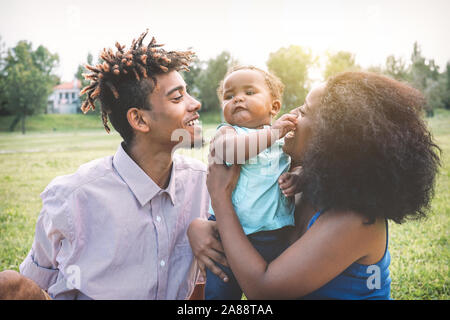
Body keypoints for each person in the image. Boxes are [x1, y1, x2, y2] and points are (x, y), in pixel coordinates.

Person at [0, 30, 224, 300]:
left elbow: (200, 284)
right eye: (177, 98)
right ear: (139, 120)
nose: (195, 104)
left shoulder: (205, 182)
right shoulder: (72, 198)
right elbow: (34, 287)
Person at [190, 71, 441, 299]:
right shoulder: (298, 183)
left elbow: (264, 290)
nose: (292, 113)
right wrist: (200, 228)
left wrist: (221, 200)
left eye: (305, 111)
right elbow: (251, 227)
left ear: (333, 138)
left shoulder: (355, 219)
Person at [204, 66, 300, 299]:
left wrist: (298, 176)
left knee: (278, 292)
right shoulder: (228, 132)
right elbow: (230, 152)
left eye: (249, 92)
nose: (238, 98)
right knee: (220, 294)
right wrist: (273, 134)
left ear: (274, 107)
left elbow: (299, 162)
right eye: (229, 96)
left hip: (275, 235)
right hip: (228, 236)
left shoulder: (283, 137)